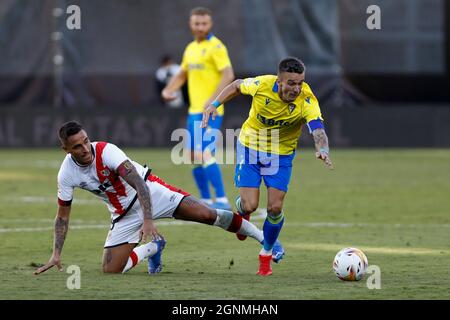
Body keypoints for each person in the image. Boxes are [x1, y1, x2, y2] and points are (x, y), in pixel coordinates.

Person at [33, 121, 284, 275]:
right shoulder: (66, 173)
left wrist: (149, 220)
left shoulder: (106, 151)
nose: (85, 149)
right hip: (122, 214)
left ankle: (264, 238)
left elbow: (139, 183)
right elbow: (62, 216)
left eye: (86, 141)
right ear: (66, 149)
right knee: (110, 270)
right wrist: (56, 253)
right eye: (77, 146)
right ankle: (154, 248)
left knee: (208, 215)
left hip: (152, 192)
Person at [202, 57, 334, 276]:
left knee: (274, 208)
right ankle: (242, 210)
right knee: (250, 204)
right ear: (279, 81)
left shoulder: (307, 100)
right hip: (250, 147)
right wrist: (214, 105)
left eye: (300, 82)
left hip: (281, 155)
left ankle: (265, 255)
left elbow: (318, 129)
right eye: (291, 83)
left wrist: (323, 149)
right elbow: (236, 85)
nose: (297, 88)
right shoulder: (262, 85)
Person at [161, 7, 234, 210]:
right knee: (192, 154)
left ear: (210, 24)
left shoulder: (216, 47)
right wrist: (168, 89)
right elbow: (183, 74)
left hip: (211, 111)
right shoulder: (191, 48)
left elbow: (228, 75)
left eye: (204, 23)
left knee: (204, 153)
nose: (200, 27)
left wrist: (213, 101)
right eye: (197, 23)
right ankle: (205, 200)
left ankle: (221, 199)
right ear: (191, 25)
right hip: (194, 111)